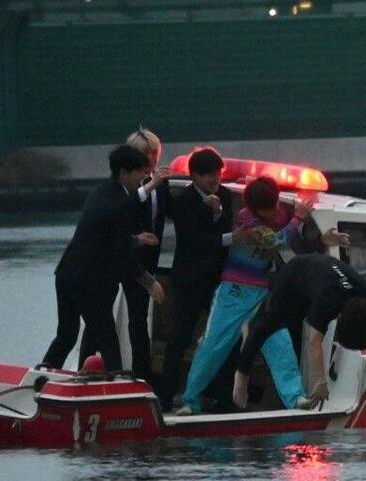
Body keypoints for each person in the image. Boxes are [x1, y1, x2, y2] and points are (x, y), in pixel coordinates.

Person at [175, 176, 312, 415]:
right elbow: (275, 239)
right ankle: (190, 400)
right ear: (255, 208)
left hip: (263, 294)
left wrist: (297, 218)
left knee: (280, 343)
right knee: (213, 345)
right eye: (267, 208)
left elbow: (290, 234)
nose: (273, 212)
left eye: (275, 206)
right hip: (234, 292)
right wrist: (298, 217)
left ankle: (296, 396)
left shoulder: (279, 213)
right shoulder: (246, 220)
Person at [41, 145, 165, 372]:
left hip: (66, 273)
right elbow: (122, 255)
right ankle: (113, 393)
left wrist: (136, 239)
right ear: (123, 173)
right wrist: (150, 283)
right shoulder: (124, 203)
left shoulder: (100, 192)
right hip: (89, 282)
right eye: (138, 172)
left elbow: (103, 235)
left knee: (66, 335)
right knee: (107, 339)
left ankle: (40, 379)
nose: (142, 178)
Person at [234, 254, 366, 411]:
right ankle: (241, 374)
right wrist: (320, 383)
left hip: (323, 274)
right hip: (295, 274)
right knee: (270, 326)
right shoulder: (328, 301)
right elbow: (313, 341)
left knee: (299, 321)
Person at [158, 147, 253, 411]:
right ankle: (165, 397)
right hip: (189, 280)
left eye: (218, 174)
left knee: (226, 336)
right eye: (209, 175)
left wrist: (218, 212)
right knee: (180, 338)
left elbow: (223, 229)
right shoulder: (185, 201)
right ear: (195, 177)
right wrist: (230, 236)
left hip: (218, 280)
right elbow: (194, 242)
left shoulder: (222, 195)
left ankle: (225, 397)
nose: (215, 179)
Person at [78, 127, 170, 382]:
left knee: (138, 321)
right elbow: (127, 205)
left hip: (142, 261)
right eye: (145, 156)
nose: (151, 162)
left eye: (154, 155)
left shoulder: (160, 184)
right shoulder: (125, 187)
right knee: (99, 316)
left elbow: (170, 211)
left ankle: (142, 375)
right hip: (115, 258)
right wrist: (150, 186)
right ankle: (84, 367)